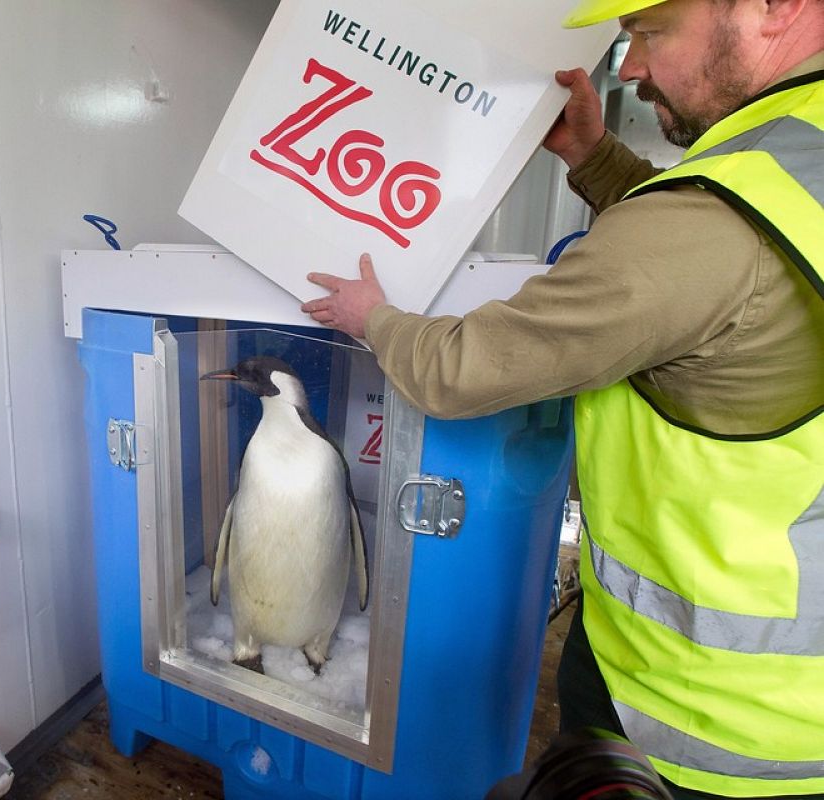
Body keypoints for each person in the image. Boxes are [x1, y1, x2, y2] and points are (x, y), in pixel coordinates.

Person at [300, 0, 824, 795]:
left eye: (650, 32)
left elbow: (461, 370)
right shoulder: (798, 155)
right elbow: (708, 268)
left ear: (775, 8)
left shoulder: (716, 222)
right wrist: (592, 154)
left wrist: (370, 319)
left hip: (703, 712)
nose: (632, 68)